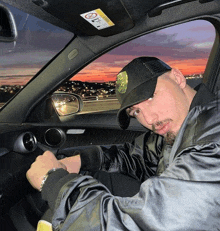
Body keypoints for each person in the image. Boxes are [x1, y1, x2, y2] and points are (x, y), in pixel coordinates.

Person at [27, 56, 220, 230]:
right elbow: (136, 156)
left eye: (150, 97)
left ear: (177, 78)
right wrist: (83, 160)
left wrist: (52, 182)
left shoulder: (212, 140)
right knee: (97, 178)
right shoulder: (180, 127)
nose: (150, 119)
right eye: (136, 112)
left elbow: (139, 225)